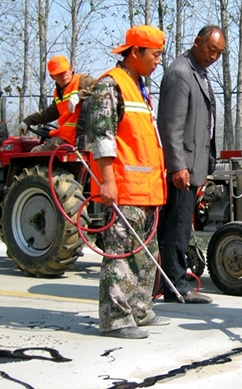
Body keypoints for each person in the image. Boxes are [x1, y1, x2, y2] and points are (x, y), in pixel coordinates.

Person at [87, 25, 169, 339]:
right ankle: (116, 318)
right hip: (123, 188)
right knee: (121, 254)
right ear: (135, 52)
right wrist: (108, 182)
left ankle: (139, 309)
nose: (158, 61)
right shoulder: (110, 85)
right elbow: (103, 137)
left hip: (146, 189)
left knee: (145, 256)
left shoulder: (139, 88)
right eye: (155, 54)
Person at [156, 25, 226, 304]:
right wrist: (177, 166)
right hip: (182, 167)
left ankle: (173, 279)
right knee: (176, 225)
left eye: (219, 53)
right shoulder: (180, 73)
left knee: (182, 225)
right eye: (211, 50)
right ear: (197, 42)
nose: (214, 57)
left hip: (195, 164)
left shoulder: (199, 72)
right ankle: (175, 286)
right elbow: (170, 125)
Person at [18, 55, 94, 151]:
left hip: (81, 139)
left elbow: (97, 86)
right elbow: (49, 113)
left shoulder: (82, 80)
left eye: (64, 71)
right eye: (59, 73)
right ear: (52, 77)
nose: (63, 75)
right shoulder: (58, 93)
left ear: (70, 69)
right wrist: (28, 121)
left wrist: (79, 96)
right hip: (66, 138)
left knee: (36, 153)